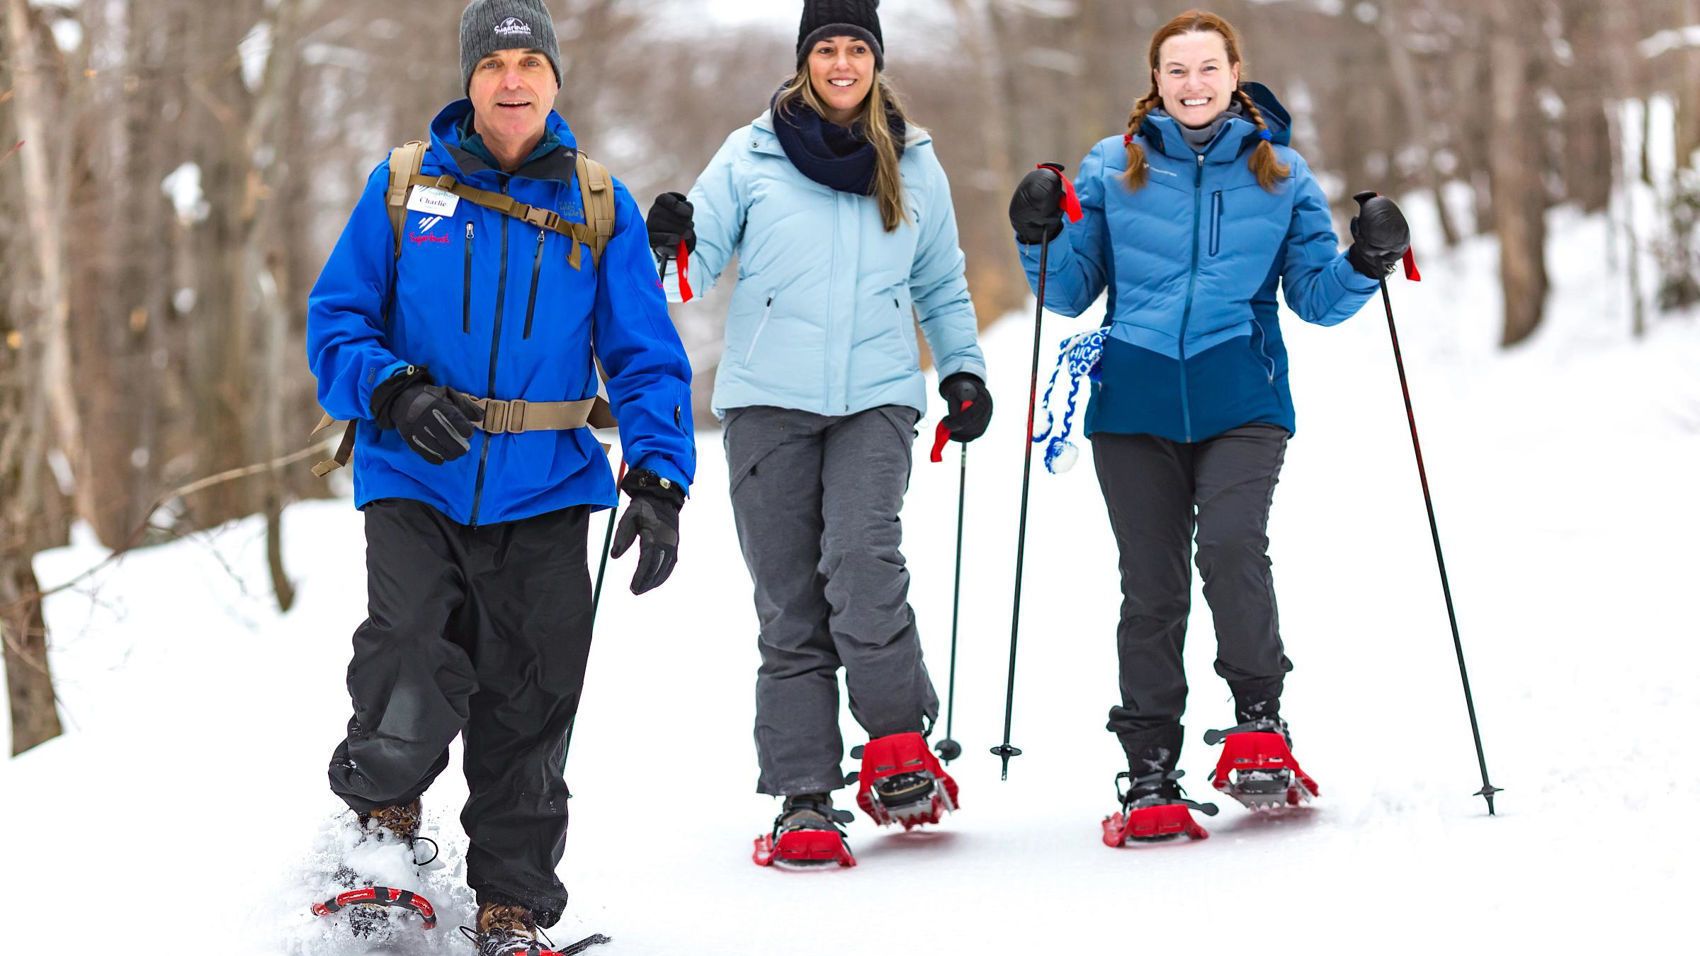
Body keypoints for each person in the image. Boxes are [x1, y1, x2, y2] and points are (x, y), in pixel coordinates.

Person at [305, 0, 695, 948]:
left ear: (555, 80)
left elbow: (645, 357)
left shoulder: (600, 205)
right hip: (416, 480)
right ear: (469, 81)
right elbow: (336, 322)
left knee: (530, 701)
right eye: (493, 65)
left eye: (528, 62)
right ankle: (385, 838)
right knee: (405, 653)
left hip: (550, 488)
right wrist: (391, 391)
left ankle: (512, 907)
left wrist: (658, 478)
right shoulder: (402, 187)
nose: (511, 80)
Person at [1006, 9, 1410, 833]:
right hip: (1134, 404)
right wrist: (1033, 231)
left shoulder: (1282, 175)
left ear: (1234, 75)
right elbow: (1067, 290)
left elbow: (1316, 300)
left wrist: (1366, 262)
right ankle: (1149, 769)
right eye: (1176, 70)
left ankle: (1261, 723)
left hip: (1241, 398)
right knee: (1151, 588)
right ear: (1155, 81)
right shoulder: (1110, 168)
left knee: (1230, 548)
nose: (1192, 85)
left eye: (1207, 69)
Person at [644, 0, 990, 865]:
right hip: (768, 401)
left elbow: (942, 282)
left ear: (876, 60)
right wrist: (672, 240)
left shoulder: (911, 159)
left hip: (876, 394)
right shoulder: (751, 152)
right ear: (805, 59)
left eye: (856, 49)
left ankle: (898, 747)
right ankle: (803, 795)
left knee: (862, 559)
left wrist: (962, 371)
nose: (842, 63)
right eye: (827, 48)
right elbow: (692, 275)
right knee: (790, 598)